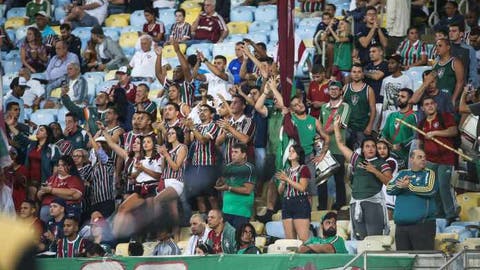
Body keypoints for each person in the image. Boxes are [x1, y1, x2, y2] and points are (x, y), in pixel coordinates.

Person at [333, 117, 392, 240]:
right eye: (367, 146)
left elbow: (389, 182)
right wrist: (335, 127)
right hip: (356, 204)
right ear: (363, 149)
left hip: (373, 203)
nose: (370, 149)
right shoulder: (357, 160)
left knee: (374, 239)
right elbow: (341, 144)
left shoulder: (382, 163)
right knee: (361, 241)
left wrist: (374, 170)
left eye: (373, 146)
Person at [417, 97, 459, 224]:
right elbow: (420, 143)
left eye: (431, 104)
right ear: (422, 108)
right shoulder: (421, 123)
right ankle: (439, 214)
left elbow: (453, 131)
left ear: (436, 105)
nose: (429, 106)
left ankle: (451, 215)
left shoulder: (445, 117)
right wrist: (421, 158)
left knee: (444, 186)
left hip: (446, 158)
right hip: (430, 160)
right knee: (433, 188)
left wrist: (434, 133)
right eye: (426, 104)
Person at [386, 149, 438, 250]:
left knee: (423, 261)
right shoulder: (402, 173)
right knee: (404, 262)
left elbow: (430, 190)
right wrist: (400, 186)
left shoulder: (429, 173)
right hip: (401, 227)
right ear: (411, 159)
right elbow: (389, 189)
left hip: (422, 226)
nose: (423, 159)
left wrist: (409, 186)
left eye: (424, 157)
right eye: (419, 157)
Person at [113, 135, 162, 237]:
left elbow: (158, 176)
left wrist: (143, 169)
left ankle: (152, 235)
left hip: (152, 188)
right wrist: (138, 171)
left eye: (148, 142)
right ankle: (115, 236)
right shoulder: (139, 159)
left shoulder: (158, 157)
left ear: (154, 144)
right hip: (139, 188)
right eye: (144, 142)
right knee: (123, 207)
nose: (145, 144)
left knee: (149, 211)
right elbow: (133, 176)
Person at [5, 122, 61, 201]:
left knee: (39, 202)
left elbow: (56, 169)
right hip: (29, 180)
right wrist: (10, 125)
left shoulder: (53, 148)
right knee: (30, 201)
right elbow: (20, 136)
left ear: (47, 134)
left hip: (44, 181)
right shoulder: (31, 145)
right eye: (38, 129)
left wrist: (50, 183)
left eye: (41, 130)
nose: (38, 131)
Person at [318, 81, 350, 210]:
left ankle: (340, 205)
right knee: (322, 180)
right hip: (324, 149)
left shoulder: (345, 106)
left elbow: (339, 124)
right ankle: (323, 206)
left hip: (338, 147)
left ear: (341, 91)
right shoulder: (323, 107)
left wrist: (322, 132)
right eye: (331, 89)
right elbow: (319, 124)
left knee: (339, 179)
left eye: (336, 89)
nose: (333, 91)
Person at [214, 143, 255, 230]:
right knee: (228, 239)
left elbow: (248, 190)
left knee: (238, 238)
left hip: (241, 211)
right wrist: (219, 181)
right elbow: (223, 182)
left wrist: (228, 188)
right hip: (226, 210)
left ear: (244, 155)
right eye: (232, 152)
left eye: (236, 152)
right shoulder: (228, 167)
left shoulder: (249, 168)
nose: (233, 154)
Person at [154, 126, 188, 229]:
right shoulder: (168, 149)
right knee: (173, 212)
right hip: (167, 181)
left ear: (178, 135)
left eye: (172, 133)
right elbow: (163, 168)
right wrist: (163, 156)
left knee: (156, 201)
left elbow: (176, 167)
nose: (170, 135)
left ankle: (157, 228)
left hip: (176, 182)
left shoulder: (182, 147)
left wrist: (166, 154)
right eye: (168, 133)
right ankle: (176, 237)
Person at [275, 145, 311, 242]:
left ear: (299, 155)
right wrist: (282, 182)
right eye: (290, 151)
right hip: (287, 203)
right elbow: (280, 191)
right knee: (290, 241)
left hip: (300, 202)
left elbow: (302, 188)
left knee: (303, 239)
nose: (290, 153)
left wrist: (287, 179)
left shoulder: (304, 169)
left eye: (293, 151)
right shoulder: (286, 171)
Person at [37, 155, 85, 222]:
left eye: (63, 165)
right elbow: (39, 196)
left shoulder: (74, 179)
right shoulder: (52, 178)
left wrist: (51, 190)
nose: (59, 167)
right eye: (58, 165)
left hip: (67, 209)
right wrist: (41, 192)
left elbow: (75, 195)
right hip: (46, 209)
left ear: (69, 166)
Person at [381, 88, 416, 169]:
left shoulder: (414, 116)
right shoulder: (391, 115)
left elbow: (416, 137)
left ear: (410, 100)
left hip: (406, 157)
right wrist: (384, 140)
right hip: (390, 155)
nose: (399, 98)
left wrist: (402, 144)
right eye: (398, 96)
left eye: (403, 97)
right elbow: (384, 133)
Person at [343, 64, 376, 150]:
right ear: (350, 73)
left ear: (363, 74)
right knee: (346, 152)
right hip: (347, 126)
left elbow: (373, 109)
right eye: (354, 72)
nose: (356, 74)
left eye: (359, 72)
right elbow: (340, 107)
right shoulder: (345, 88)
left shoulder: (369, 89)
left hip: (362, 127)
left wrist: (370, 126)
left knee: (360, 153)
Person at [216, 95, 255, 165]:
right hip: (227, 162)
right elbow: (218, 143)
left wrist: (229, 128)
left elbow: (245, 139)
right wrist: (224, 133)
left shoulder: (248, 121)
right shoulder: (227, 122)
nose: (232, 105)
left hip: (243, 164)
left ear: (243, 106)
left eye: (235, 103)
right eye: (231, 103)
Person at [379, 54, 414, 129]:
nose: (389, 65)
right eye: (388, 63)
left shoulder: (407, 79)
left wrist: (406, 118)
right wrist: (380, 120)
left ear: (399, 64)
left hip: (400, 118)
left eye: (392, 63)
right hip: (385, 118)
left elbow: (410, 101)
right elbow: (384, 101)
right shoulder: (385, 80)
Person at [432, 38, 464, 104]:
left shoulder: (455, 62)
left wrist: (453, 99)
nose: (437, 48)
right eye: (436, 46)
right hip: (436, 99)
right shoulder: (435, 62)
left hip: (449, 98)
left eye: (440, 46)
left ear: (448, 47)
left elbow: (460, 82)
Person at [449, 22, 479, 88]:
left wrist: (471, 87)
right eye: (450, 31)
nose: (450, 33)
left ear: (461, 34)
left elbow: (473, 71)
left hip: (463, 88)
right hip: (445, 87)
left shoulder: (469, 50)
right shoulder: (445, 48)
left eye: (454, 31)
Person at [376, 140, 398, 214]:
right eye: (379, 148)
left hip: (388, 195)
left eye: (384, 148)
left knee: (389, 220)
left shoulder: (391, 161)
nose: (382, 150)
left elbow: (383, 172)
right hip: (377, 195)